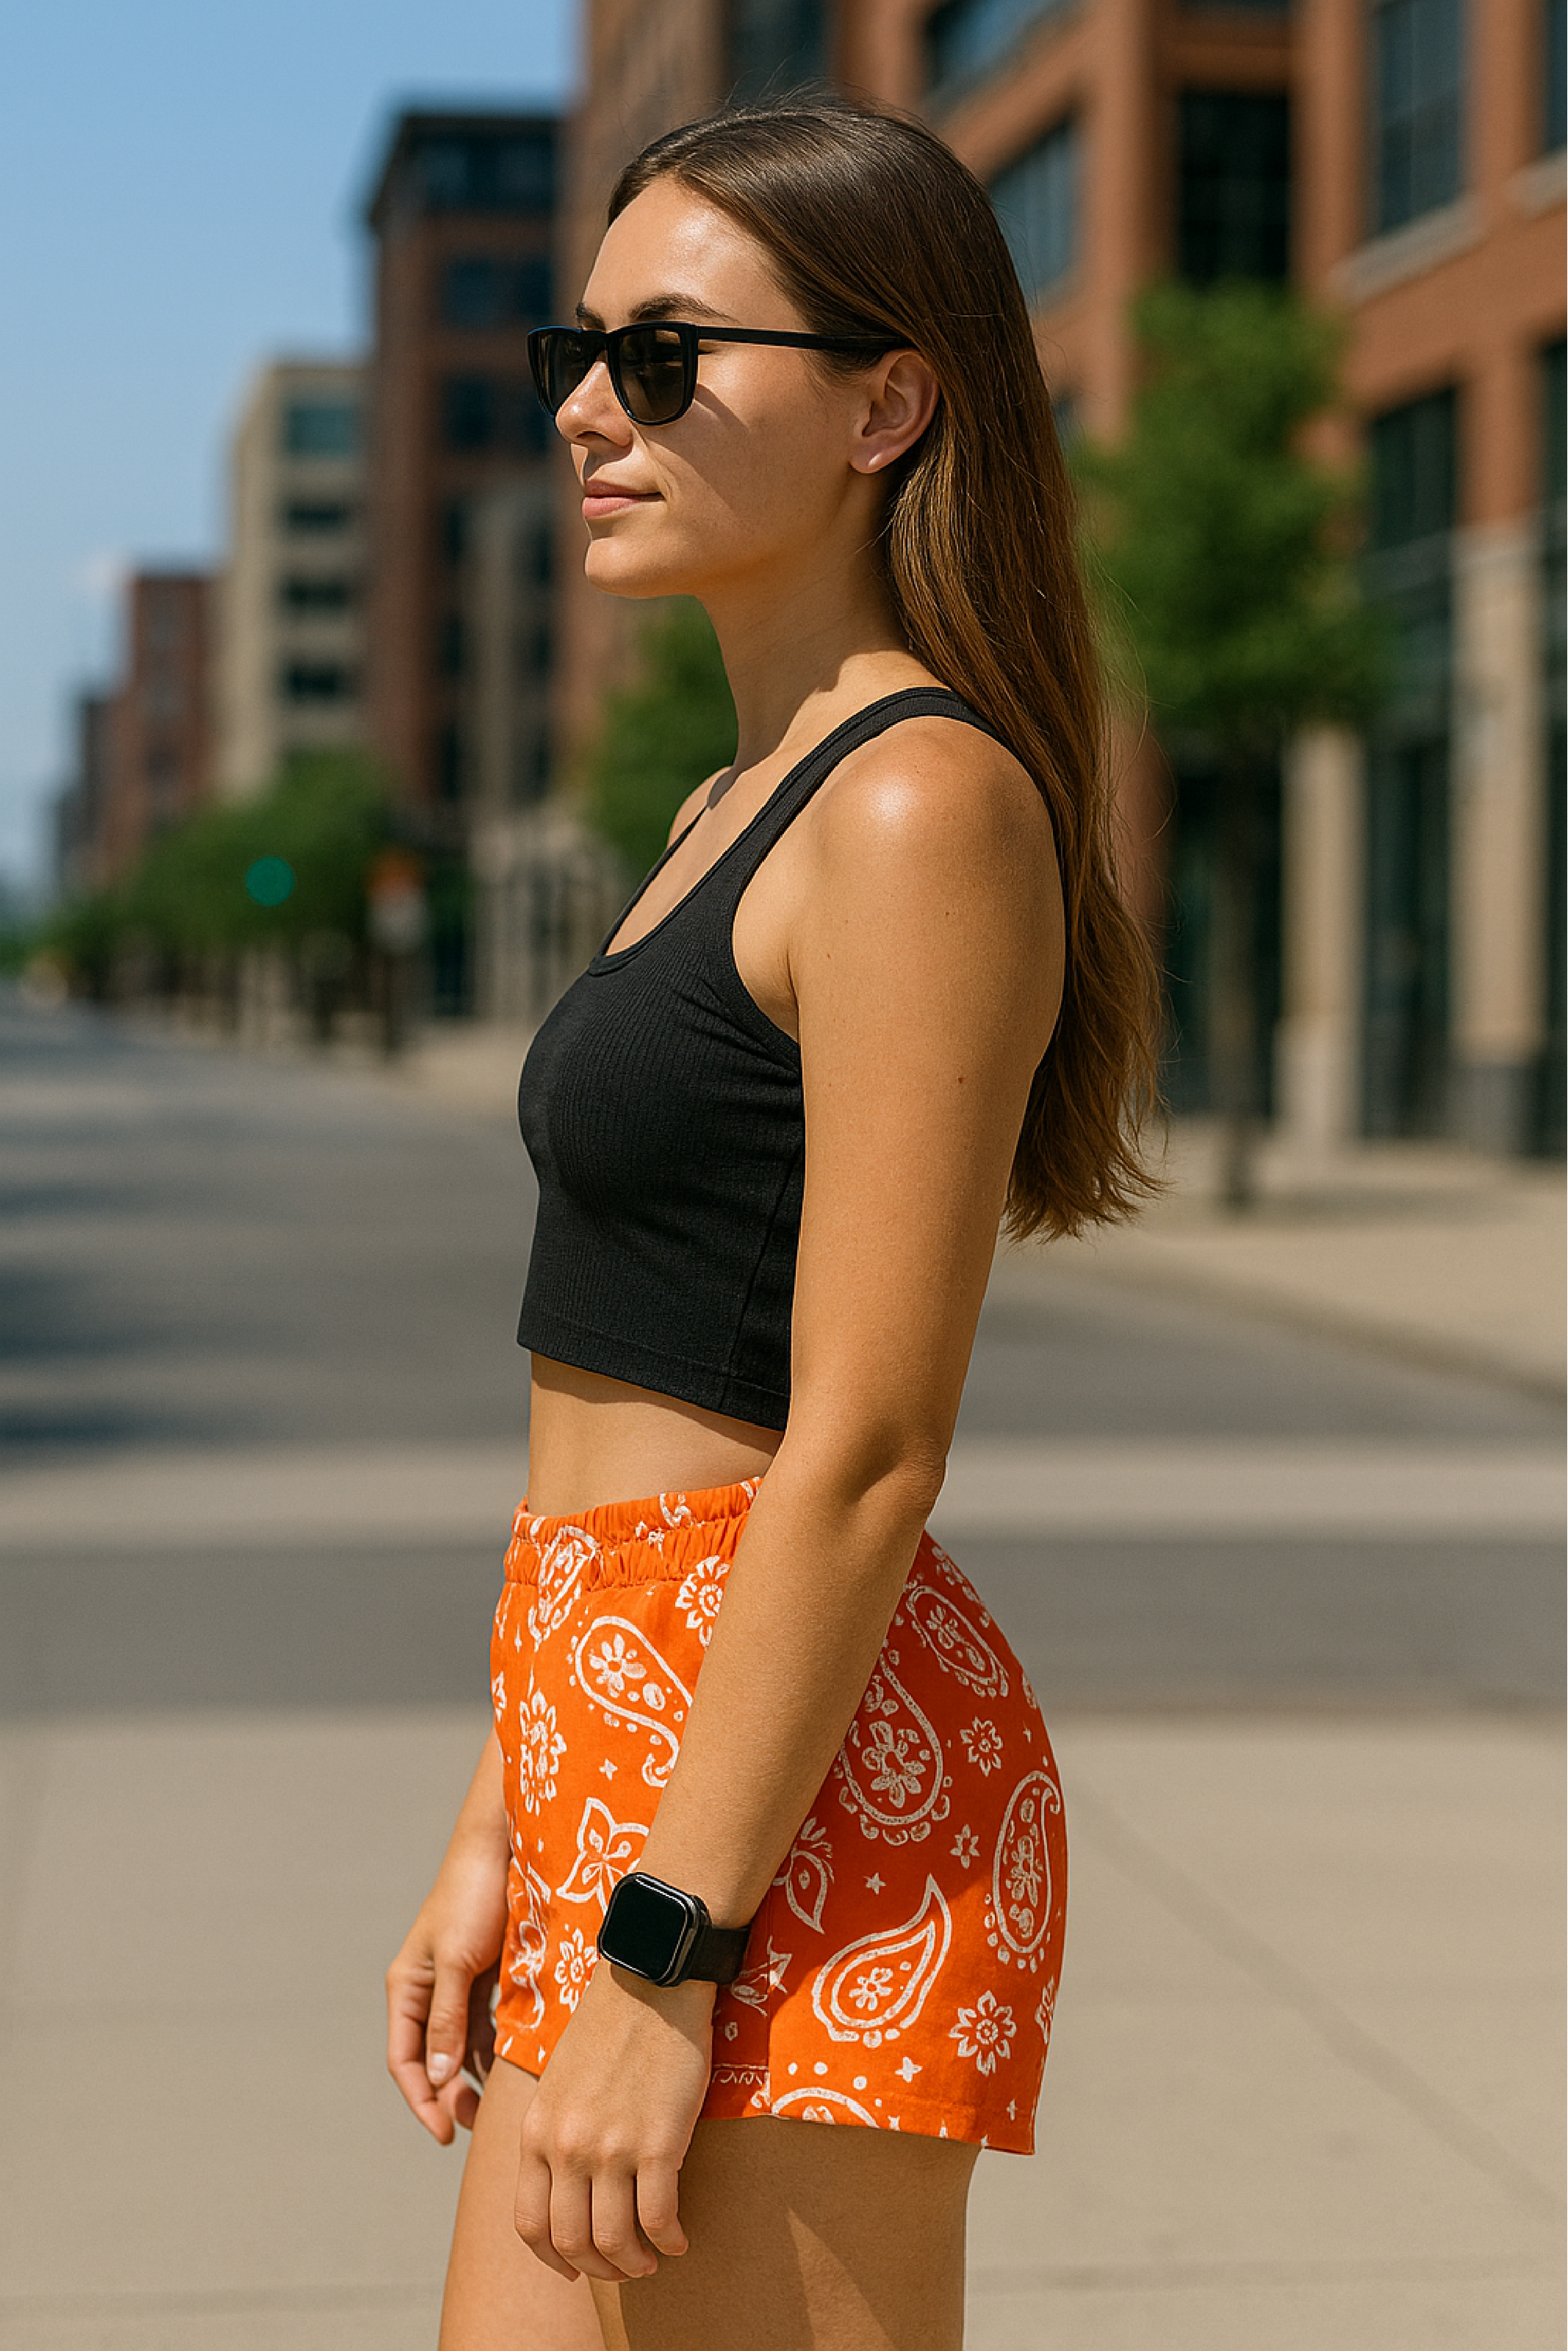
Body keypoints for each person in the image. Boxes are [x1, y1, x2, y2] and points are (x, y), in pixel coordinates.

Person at [387, 96, 1159, 2351]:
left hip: (778, 1807)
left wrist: (659, 1949)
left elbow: (860, 1444)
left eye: (666, 355)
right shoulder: (731, 801)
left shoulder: (918, 803)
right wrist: (503, 1819)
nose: (584, 412)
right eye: (577, 346)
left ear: (888, 401)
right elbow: (618, 1378)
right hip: (623, 1753)